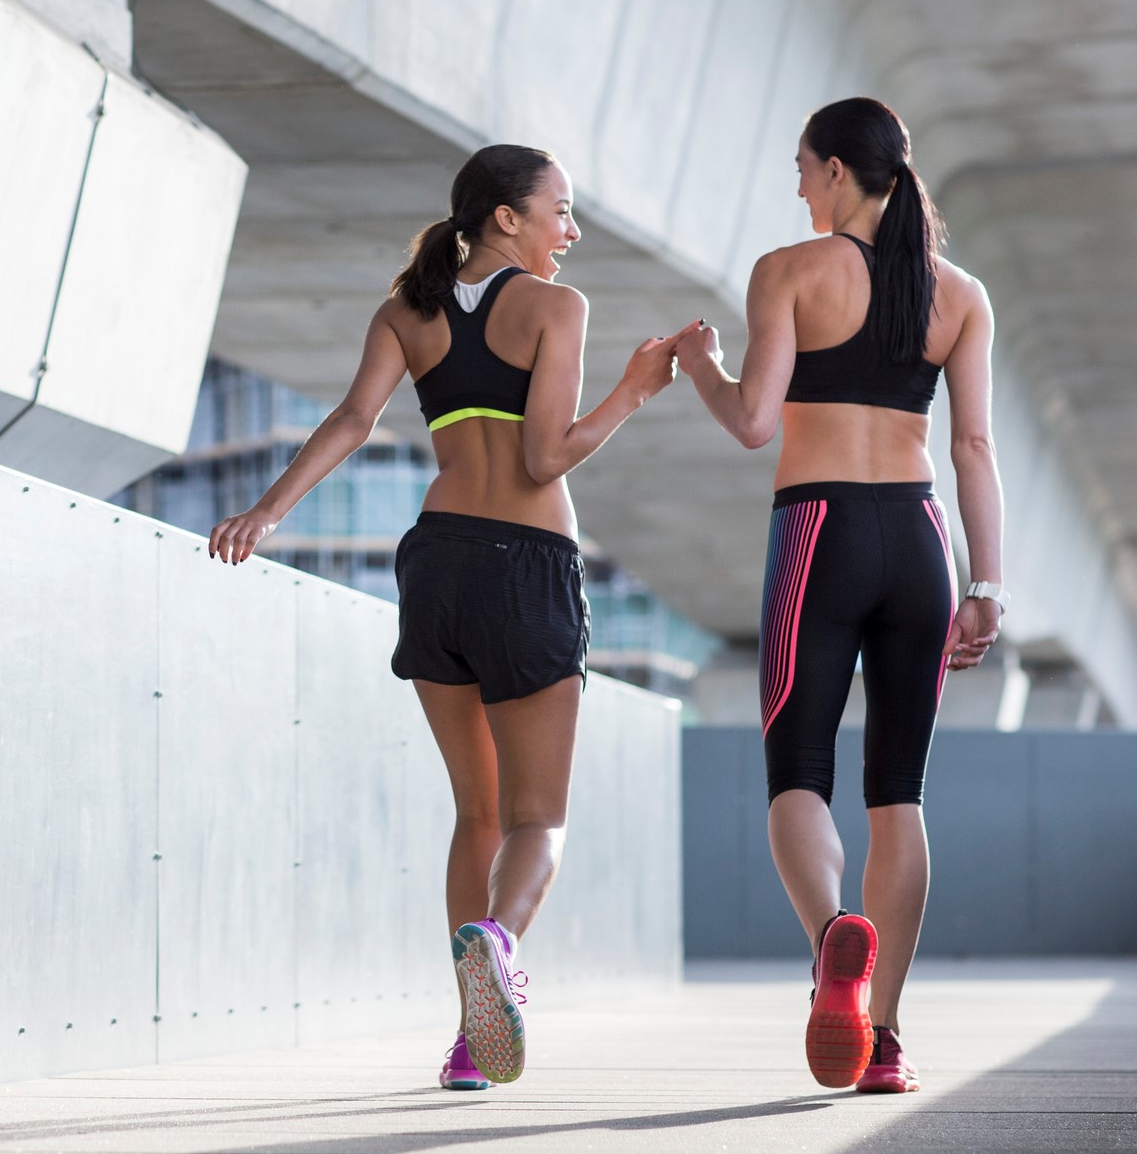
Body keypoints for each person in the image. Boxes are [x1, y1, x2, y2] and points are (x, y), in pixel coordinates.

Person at [209, 145, 682, 1089]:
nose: (571, 231)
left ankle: (472, 1041)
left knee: (476, 811)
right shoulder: (556, 308)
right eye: (560, 210)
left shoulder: (406, 310)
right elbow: (546, 458)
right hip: (527, 566)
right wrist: (634, 391)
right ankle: (499, 945)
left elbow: (350, 418)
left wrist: (267, 511)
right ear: (506, 217)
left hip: (436, 566)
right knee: (537, 818)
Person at [674, 98, 1006, 1094]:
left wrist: (700, 365)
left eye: (802, 167)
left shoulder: (789, 271)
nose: (798, 186)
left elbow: (750, 418)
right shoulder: (959, 294)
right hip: (921, 538)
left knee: (797, 777)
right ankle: (886, 1039)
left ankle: (833, 946)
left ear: (832, 173)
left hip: (818, 531)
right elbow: (974, 446)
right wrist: (987, 586)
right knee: (898, 795)